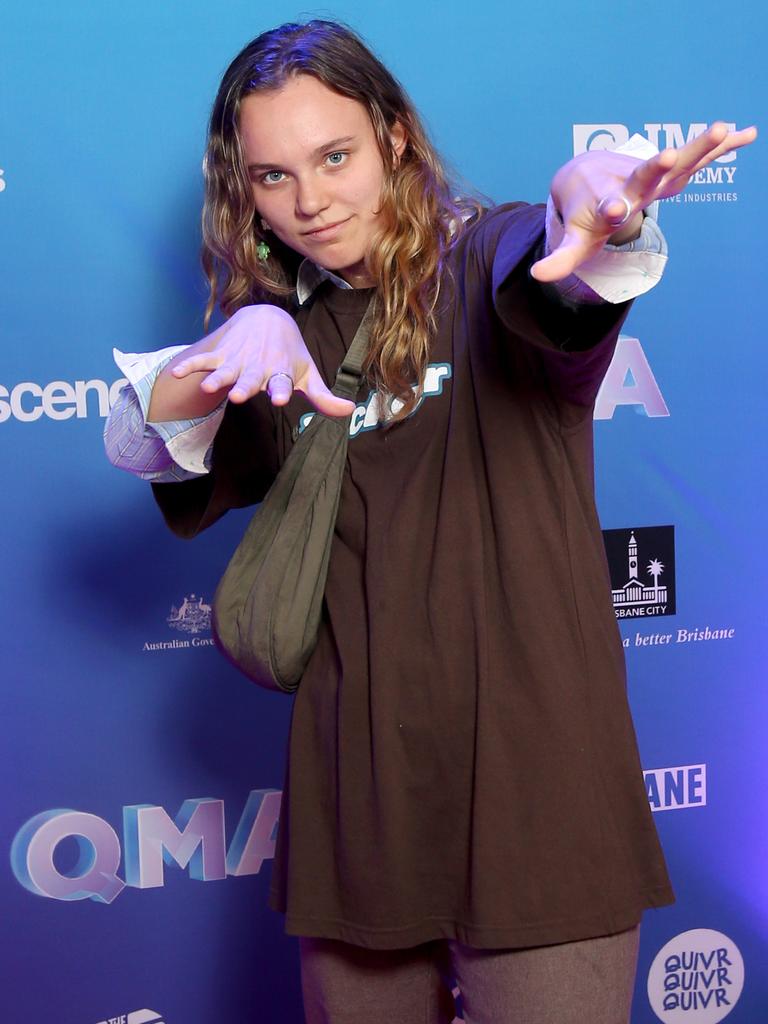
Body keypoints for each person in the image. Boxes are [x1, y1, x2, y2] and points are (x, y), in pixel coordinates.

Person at [104, 19, 756, 1024]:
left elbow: (567, 260)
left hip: (541, 787)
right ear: (242, 189)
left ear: (395, 140)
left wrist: (599, 201)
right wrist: (230, 340)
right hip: (358, 791)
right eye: (273, 176)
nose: (310, 201)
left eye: (335, 156)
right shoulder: (277, 338)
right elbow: (143, 445)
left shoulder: (488, 255)